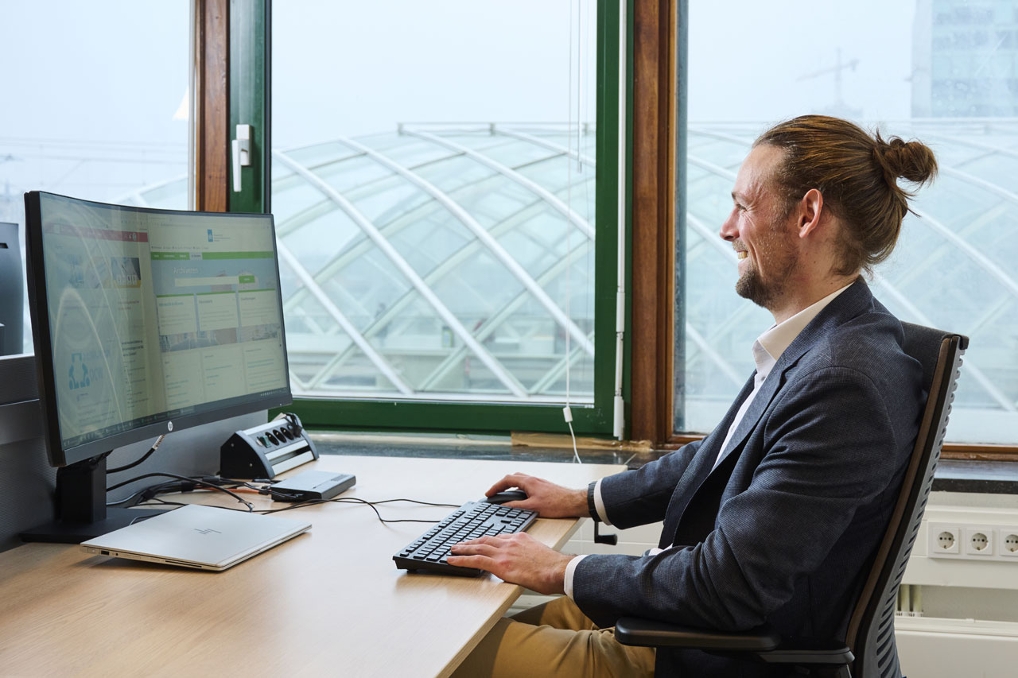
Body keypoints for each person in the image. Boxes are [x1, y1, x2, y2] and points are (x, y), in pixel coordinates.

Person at [446, 114, 939, 678]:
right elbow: (713, 460)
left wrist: (561, 569)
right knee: (470, 616)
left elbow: (728, 585)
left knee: (436, 651)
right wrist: (585, 501)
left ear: (807, 215)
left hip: (709, 655)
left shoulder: (842, 380)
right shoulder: (830, 341)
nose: (727, 228)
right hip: (689, 629)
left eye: (744, 207)